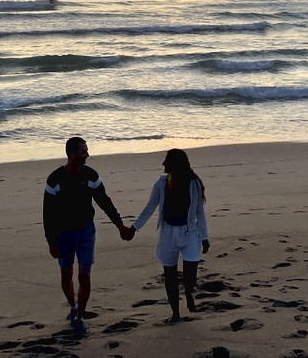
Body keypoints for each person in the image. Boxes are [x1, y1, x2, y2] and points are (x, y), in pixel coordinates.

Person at [43, 137, 132, 333]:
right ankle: (73, 306)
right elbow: (47, 214)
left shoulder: (91, 176)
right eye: (83, 152)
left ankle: (79, 316)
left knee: (84, 275)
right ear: (72, 154)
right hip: (63, 235)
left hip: (86, 232)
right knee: (67, 274)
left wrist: (120, 225)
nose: (87, 155)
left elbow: (104, 202)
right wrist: (51, 241)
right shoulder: (55, 179)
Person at [128, 148, 210, 324]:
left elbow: (199, 212)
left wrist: (204, 237)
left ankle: (188, 292)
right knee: (170, 275)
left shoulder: (193, 184)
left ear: (175, 164)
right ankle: (175, 313)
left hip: (190, 234)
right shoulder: (161, 183)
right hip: (168, 234)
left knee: (190, 276)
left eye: (166, 161)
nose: (163, 164)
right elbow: (150, 208)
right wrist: (134, 228)